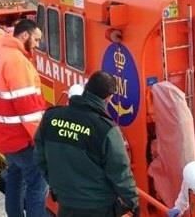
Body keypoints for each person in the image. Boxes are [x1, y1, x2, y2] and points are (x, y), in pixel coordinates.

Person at [34, 70, 139, 217]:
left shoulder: (51, 117)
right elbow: (120, 173)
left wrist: (55, 184)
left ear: (86, 88)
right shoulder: (107, 130)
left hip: (66, 204)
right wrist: (134, 202)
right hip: (99, 207)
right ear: (108, 98)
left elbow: (39, 158)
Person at [0, 18, 48, 217]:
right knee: (37, 186)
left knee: (14, 179)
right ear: (24, 35)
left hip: (4, 135)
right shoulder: (17, 62)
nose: (37, 45)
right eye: (36, 40)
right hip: (22, 138)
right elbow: (28, 109)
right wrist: (42, 140)